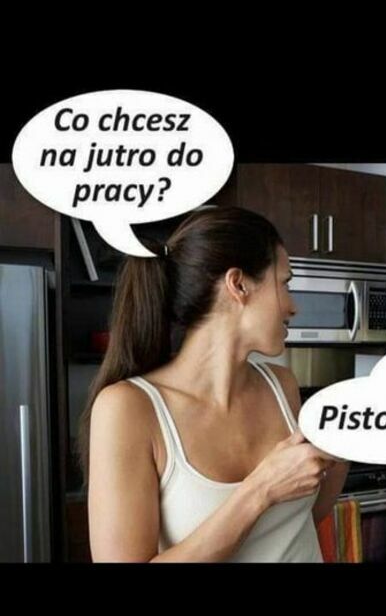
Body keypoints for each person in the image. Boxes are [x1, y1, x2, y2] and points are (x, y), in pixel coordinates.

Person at [78, 206, 349, 562]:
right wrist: (261, 489)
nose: (293, 306)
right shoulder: (128, 408)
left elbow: (298, 523)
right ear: (238, 285)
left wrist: (342, 452)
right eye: (285, 283)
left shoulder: (281, 385)